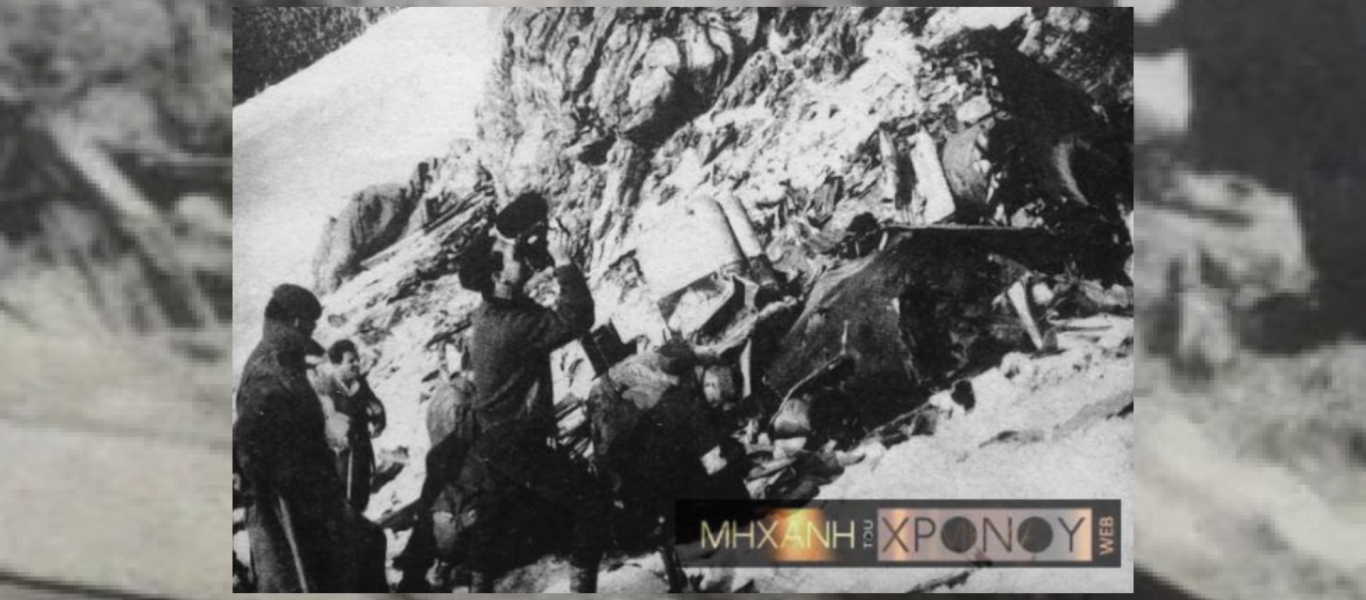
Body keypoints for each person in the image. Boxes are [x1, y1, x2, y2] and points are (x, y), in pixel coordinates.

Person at [455, 191, 607, 592]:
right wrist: (564, 262)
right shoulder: (511, 326)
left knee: (491, 521)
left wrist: (527, 249)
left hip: (496, 439)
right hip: (517, 442)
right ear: (497, 276)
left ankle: (477, 588)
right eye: (514, 257)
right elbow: (577, 316)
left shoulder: (494, 310)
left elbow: (535, 305)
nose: (522, 259)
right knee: (592, 501)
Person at [233, 284, 347, 592]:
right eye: (310, 326)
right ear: (297, 323)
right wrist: (285, 480)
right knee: (292, 583)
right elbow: (248, 442)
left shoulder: (284, 360)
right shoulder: (270, 369)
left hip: (304, 501)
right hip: (284, 509)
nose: (312, 334)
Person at [315, 339, 387, 514]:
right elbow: (323, 418)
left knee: (362, 489)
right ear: (337, 364)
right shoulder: (328, 387)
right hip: (340, 452)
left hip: (361, 446)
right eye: (350, 361)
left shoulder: (359, 383)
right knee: (343, 493)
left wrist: (379, 418)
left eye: (357, 359)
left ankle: (358, 520)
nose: (356, 364)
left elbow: (374, 404)